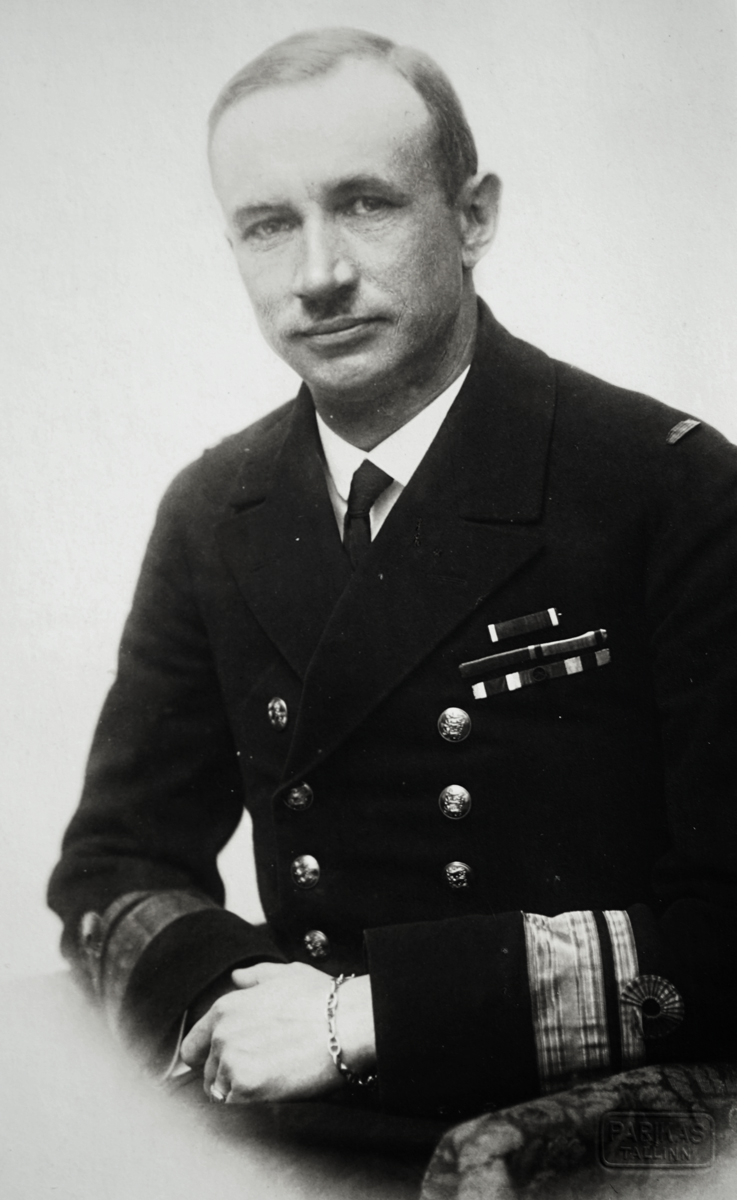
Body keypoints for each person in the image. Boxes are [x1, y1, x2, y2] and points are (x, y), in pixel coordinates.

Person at [48, 27, 737, 1121]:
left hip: (579, 1117)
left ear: (473, 218)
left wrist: (369, 1016)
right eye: (268, 225)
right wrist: (236, 1006)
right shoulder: (214, 511)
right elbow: (111, 868)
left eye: (365, 203)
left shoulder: (667, 484)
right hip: (299, 1104)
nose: (317, 275)